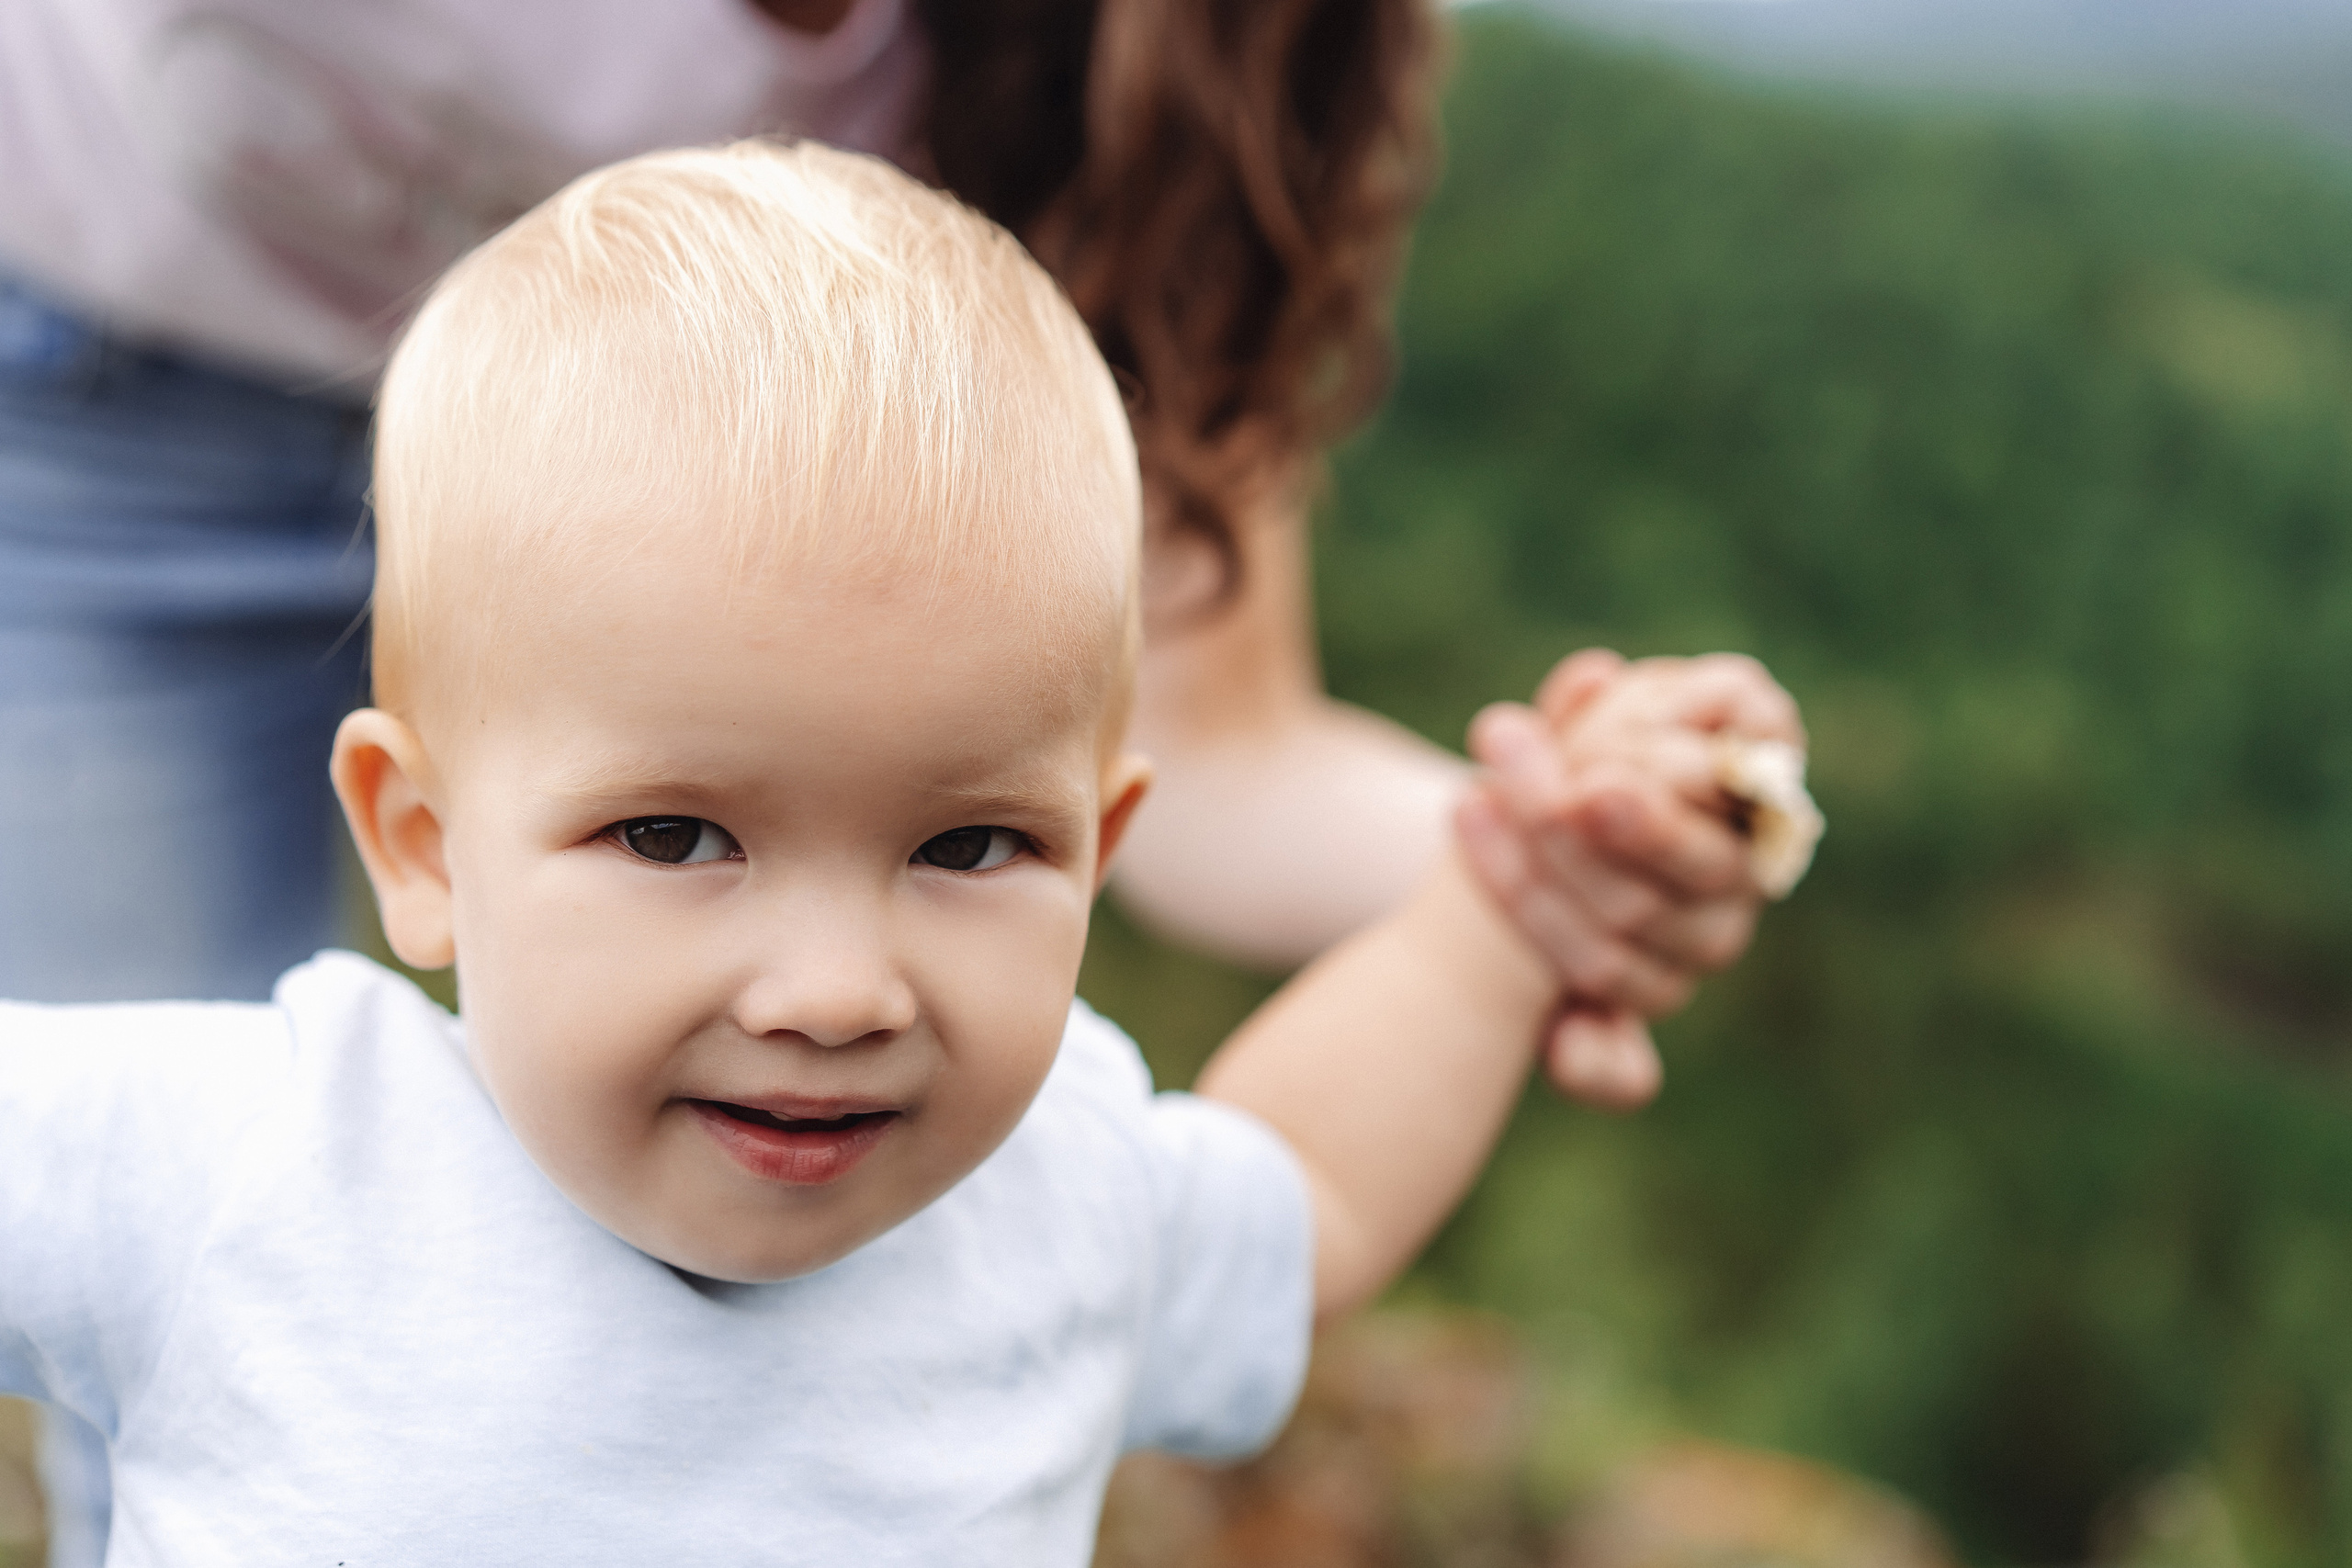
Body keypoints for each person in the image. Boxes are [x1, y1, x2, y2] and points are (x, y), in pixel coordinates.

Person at [0, 1, 1801, 1559]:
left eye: (966, 842)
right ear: (420, 838)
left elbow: (1305, 1187)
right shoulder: (241, 1158)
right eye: (677, 831)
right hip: (90, 369)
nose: (837, 989)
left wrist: (1503, 896)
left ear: (1097, 848)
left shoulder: (1056, 1205)